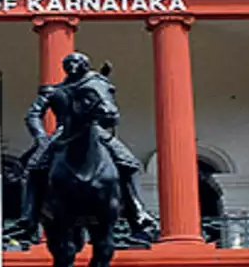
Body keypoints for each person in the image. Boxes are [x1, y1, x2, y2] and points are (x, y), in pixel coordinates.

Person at [15, 52, 158, 243]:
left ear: (84, 65)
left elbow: (106, 105)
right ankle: (29, 218)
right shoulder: (54, 91)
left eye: (76, 62)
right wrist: (41, 136)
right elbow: (33, 115)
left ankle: (139, 214)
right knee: (33, 168)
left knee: (129, 163)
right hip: (61, 132)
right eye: (68, 63)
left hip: (95, 130)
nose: (72, 66)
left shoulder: (93, 84)